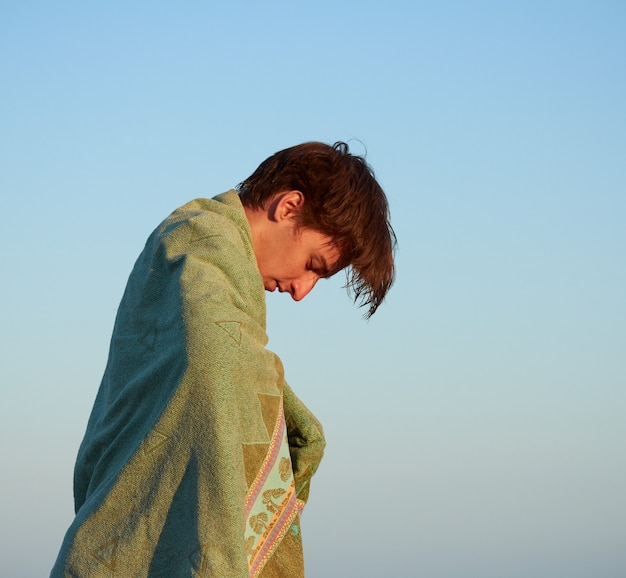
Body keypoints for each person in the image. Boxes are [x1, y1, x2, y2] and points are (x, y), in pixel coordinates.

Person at [50, 141, 396, 577]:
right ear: (288, 206)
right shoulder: (193, 243)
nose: (302, 290)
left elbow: (227, 357)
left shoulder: (211, 262)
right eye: (313, 264)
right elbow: (213, 357)